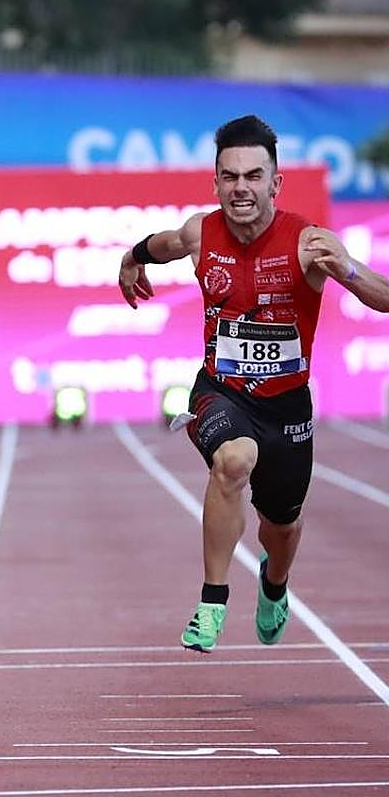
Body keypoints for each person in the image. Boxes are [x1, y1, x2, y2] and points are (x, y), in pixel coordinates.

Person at [117, 114, 389, 653]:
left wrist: (351, 272)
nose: (241, 187)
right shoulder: (202, 232)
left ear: (275, 182)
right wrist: (131, 259)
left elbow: (381, 297)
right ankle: (212, 602)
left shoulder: (310, 242)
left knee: (281, 528)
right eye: (230, 176)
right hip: (221, 390)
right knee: (232, 461)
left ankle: (274, 582)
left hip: (287, 406)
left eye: (253, 175)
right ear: (216, 182)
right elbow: (163, 244)